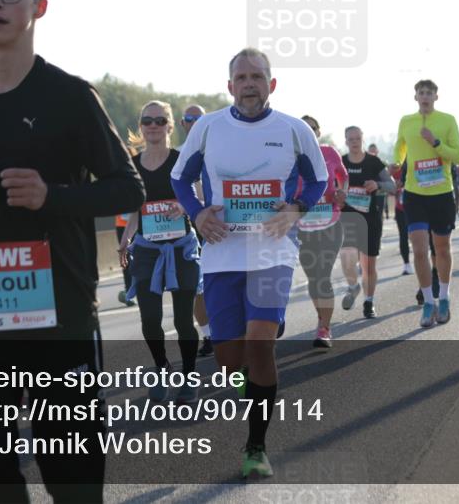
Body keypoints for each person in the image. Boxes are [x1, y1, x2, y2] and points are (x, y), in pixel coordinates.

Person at [0, 0, 145, 502]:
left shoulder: (69, 95)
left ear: (38, 6)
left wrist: (53, 196)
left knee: (71, 479)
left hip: (60, 316)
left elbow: (127, 188)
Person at [171, 48, 327, 478]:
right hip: (222, 252)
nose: (249, 84)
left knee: (261, 343)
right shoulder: (207, 128)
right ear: (229, 86)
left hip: (271, 250)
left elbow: (319, 180)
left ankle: (256, 447)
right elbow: (179, 178)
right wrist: (198, 213)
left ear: (271, 84)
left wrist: (295, 208)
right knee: (228, 359)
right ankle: (244, 373)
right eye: (241, 77)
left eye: (257, 76)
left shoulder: (295, 131)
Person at [118, 101, 201, 403]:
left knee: (182, 321)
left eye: (159, 120)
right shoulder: (134, 165)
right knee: (150, 319)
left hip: (181, 248)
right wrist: (125, 240)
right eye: (147, 121)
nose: (153, 125)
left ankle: (190, 376)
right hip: (148, 250)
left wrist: (185, 205)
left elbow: (201, 197)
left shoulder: (182, 161)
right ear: (141, 127)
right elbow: (135, 212)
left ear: (169, 125)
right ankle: (162, 367)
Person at [392, 79, 459, 328]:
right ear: (415, 98)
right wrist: (395, 161)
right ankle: (428, 302)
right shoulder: (406, 121)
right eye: (421, 93)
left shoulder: (447, 120)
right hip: (414, 194)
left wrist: (435, 143)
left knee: (441, 249)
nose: (425, 96)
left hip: (442, 193)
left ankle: (444, 297)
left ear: (436, 97)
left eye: (429, 93)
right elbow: (400, 146)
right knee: (420, 249)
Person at [296, 116, 347, 347]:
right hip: (303, 226)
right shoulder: (289, 156)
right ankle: (321, 318)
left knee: (323, 276)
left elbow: (343, 177)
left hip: (330, 221)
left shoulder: (330, 152)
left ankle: (324, 329)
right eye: (303, 128)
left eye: (312, 128)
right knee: (313, 278)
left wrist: (341, 193)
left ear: (318, 132)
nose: (308, 131)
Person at [339, 126, 394, 319]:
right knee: (347, 258)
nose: (354, 142)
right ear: (346, 141)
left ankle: (369, 302)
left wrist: (377, 185)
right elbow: (330, 187)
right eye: (350, 139)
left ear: (362, 139)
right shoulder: (341, 163)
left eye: (357, 138)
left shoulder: (373, 162)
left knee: (369, 265)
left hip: (370, 219)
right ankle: (354, 287)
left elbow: (392, 185)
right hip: (348, 219)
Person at [179, 104, 214, 357]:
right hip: (191, 227)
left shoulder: (220, 149)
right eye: (188, 119)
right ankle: (209, 335)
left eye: (198, 118)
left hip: (219, 224)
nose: (193, 122)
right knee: (196, 288)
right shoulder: (178, 155)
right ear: (182, 124)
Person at [392, 164, 413, 275]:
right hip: (400, 208)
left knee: (419, 235)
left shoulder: (415, 163)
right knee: (403, 235)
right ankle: (406, 264)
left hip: (417, 207)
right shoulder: (396, 169)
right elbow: (391, 189)